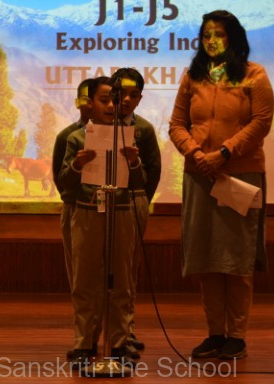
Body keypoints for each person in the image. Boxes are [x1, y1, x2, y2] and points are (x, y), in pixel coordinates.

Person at [168, 10, 274, 360]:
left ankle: (237, 336)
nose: (211, 41)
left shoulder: (254, 75)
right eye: (206, 35)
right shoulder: (192, 76)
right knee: (206, 257)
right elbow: (176, 125)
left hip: (239, 174)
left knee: (237, 258)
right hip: (199, 174)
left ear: (234, 38)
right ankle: (215, 333)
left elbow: (261, 122)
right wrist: (195, 153)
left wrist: (225, 152)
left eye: (219, 34)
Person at [58, 76, 157, 369]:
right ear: (89, 103)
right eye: (104, 100)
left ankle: (119, 343)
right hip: (87, 213)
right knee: (85, 281)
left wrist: (134, 162)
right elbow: (64, 183)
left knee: (121, 281)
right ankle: (84, 342)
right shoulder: (76, 138)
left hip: (122, 212)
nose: (112, 106)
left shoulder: (129, 136)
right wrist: (77, 165)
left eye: (115, 100)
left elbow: (140, 182)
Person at [108, 68, 161, 354]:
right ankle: (99, 332)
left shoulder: (144, 130)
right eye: (121, 94)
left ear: (140, 99)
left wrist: (140, 201)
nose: (126, 100)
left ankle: (126, 330)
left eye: (133, 95)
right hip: (100, 206)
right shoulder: (96, 124)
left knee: (127, 270)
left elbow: (154, 171)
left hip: (132, 203)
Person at [52, 78, 93, 295]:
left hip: (107, 210)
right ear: (78, 102)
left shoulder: (119, 134)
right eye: (85, 99)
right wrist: (72, 197)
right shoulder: (66, 136)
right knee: (78, 271)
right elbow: (59, 178)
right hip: (74, 207)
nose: (89, 104)